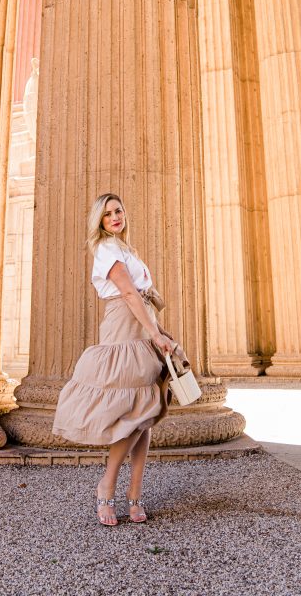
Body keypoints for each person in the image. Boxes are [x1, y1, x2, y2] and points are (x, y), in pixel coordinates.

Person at [52, 193, 184, 526]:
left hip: (142, 328)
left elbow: (144, 300)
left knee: (147, 413)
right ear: (99, 220)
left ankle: (134, 494)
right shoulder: (105, 249)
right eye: (108, 213)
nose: (115, 216)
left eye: (119, 210)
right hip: (123, 332)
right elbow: (127, 293)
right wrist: (155, 334)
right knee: (131, 414)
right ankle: (106, 487)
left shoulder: (126, 249)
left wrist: (162, 333)